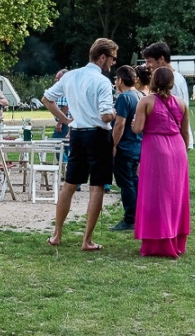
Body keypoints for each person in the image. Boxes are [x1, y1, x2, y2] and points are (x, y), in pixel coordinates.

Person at [42, 38, 118, 251]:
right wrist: (113, 113)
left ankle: (57, 234)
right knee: (97, 187)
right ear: (102, 57)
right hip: (98, 137)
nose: (112, 63)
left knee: (70, 185)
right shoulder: (102, 81)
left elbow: (47, 99)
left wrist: (66, 120)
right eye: (112, 59)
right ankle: (87, 240)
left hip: (76, 134)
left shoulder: (70, 76)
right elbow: (104, 116)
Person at [131, 67, 191, 257]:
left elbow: (137, 128)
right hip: (178, 150)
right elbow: (185, 133)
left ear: (154, 81)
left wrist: (133, 122)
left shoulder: (146, 101)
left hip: (155, 150)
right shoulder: (181, 103)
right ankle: (175, 238)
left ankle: (157, 241)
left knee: (155, 196)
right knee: (175, 196)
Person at [109, 66, 142, 232]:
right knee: (135, 182)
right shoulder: (141, 96)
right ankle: (139, 216)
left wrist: (113, 144)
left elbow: (120, 123)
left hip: (124, 147)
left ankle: (130, 218)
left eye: (116, 79)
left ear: (120, 80)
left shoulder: (124, 98)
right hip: (137, 146)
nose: (115, 82)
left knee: (126, 183)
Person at [143, 42, 192, 149]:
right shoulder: (176, 77)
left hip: (171, 139)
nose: (147, 66)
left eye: (149, 61)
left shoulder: (172, 81)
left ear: (161, 59)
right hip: (175, 138)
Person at [50, 70, 70, 162]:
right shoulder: (69, 89)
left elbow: (65, 108)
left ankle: (65, 164)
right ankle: (67, 170)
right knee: (66, 147)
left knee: (56, 144)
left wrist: (59, 123)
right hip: (68, 122)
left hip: (64, 123)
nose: (55, 80)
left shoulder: (63, 90)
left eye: (57, 78)